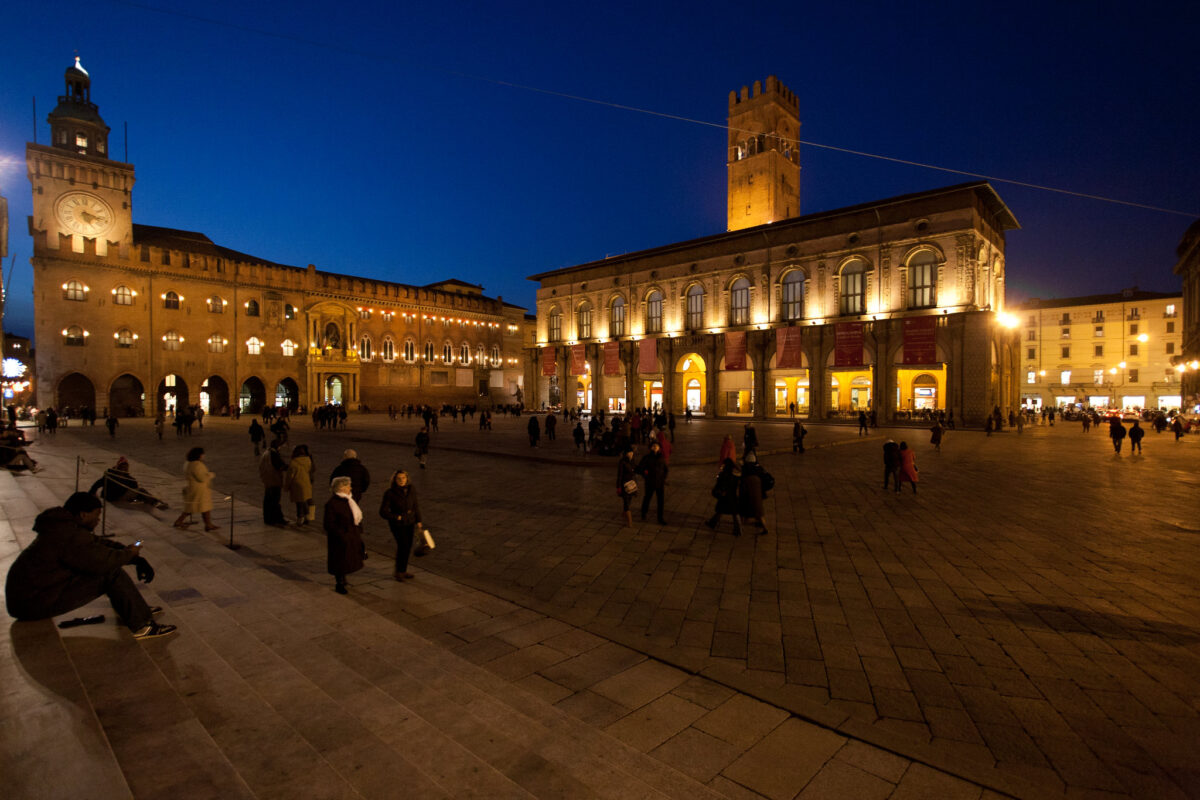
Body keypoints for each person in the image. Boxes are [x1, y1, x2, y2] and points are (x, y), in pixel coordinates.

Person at [5, 492, 176, 639]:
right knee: (109, 573)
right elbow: (102, 562)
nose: (98, 520)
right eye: (97, 514)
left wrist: (131, 556)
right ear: (83, 515)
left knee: (109, 568)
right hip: (31, 603)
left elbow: (96, 544)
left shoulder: (65, 527)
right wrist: (129, 554)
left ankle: (138, 609)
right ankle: (142, 626)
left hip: (33, 595)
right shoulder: (69, 535)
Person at [323, 476, 365, 595]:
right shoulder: (332, 504)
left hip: (350, 536)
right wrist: (342, 535)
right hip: (339, 539)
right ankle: (339, 583)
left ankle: (343, 579)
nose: (350, 488)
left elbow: (355, 517)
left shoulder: (349, 500)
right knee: (339, 561)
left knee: (347, 560)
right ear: (341, 488)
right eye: (348, 486)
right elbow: (329, 524)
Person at [379, 470, 422, 581]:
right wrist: (396, 517)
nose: (401, 480)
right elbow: (383, 512)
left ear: (407, 478)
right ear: (394, 480)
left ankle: (403, 570)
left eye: (403, 478)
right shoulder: (390, 493)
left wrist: (419, 521)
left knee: (407, 546)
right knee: (403, 545)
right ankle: (398, 572)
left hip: (410, 522)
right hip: (398, 524)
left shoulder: (411, 489)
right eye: (399, 478)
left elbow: (415, 505)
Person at [89, 457, 169, 510]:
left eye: (126, 467)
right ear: (118, 467)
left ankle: (153, 502)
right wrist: (91, 494)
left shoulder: (129, 478)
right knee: (140, 491)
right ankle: (154, 502)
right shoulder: (111, 475)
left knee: (141, 492)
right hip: (113, 497)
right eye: (122, 467)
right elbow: (97, 484)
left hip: (122, 496)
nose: (124, 469)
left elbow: (134, 488)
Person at [174, 447, 217, 530]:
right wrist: (211, 474)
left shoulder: (188, 463)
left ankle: (208, 524)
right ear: (199, 455)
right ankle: (179, 521)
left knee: (201, 507)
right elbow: (202, 478)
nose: (204, 456)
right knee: (198, 507)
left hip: (194, 488)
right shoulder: (197, 465)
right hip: (199, 490)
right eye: (202, 454)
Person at [705, 458, 742, 536]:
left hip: (724, 497)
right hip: (733, 497)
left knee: (721, 511)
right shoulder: (735, 477)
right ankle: (737, 530)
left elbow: (718, 485)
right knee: (734, 513)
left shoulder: (722, 475)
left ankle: (712, 523)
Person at [636, 439, 668, 525]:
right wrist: (646, 475)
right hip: (650, 482)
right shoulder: (646, 458)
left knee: (660, 501)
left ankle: (660, 518)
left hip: (660, 483)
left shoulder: (661, 457)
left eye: (656, 446)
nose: (655, 447)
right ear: (650, 448)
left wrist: (663, 478)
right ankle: (644, 512)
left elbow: (665, 469)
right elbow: (640, 469)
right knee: (647, 498)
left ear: (659, 448)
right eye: (653, 446)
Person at [738, 452, 770, 535]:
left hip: (747, 497)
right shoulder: (759, 470)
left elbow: (742, 486)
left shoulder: (745, 471)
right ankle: (765, 528)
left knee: (742, 512)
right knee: (759, 514)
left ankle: (739, 528)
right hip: (758, 496)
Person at [285, 444, 316, 526]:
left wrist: (286, 487)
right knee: (305, 500)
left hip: (297, 485)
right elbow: (311, 470)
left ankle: (300, 519)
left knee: (299, 503)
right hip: (306, 484)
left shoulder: (293, 463)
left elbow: (289, 477)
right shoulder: (308, 460)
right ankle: (308, 517)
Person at [259, 442, 288, 526]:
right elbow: (279, 466)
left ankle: (270, 518)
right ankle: (276, 519)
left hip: (268, 480)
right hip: (273, 481)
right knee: (274, 501)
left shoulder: (266, 453)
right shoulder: (273, 454)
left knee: (269, 500)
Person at [616, 446, 637, 528]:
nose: (631, 454)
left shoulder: (632, 461)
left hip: (632, 485)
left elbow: (635, 469)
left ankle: (624, 515)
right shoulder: (622, 462)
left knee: (628, 502)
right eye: (629, 452)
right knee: (626, 503)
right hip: (624, 485)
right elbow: (619, 475)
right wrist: (618, 487)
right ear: (626, 453)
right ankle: (630, 522)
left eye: (632, 452)